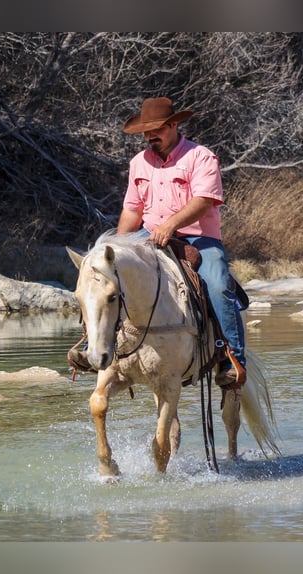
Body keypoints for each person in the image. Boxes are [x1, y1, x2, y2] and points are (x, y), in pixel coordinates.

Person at [117, 96, 246, 387]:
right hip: (149, 235)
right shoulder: (139, 163)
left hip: (198, 237)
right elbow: (132, 209)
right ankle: (99, 346)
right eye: (147, 132)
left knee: (218, 283)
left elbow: (204, 201)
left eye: (157, 130)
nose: (151, 136)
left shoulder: (201, 157)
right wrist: (117, 245)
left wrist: (170, 225)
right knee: (108, 277)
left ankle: (231, 357)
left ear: (174, 125)